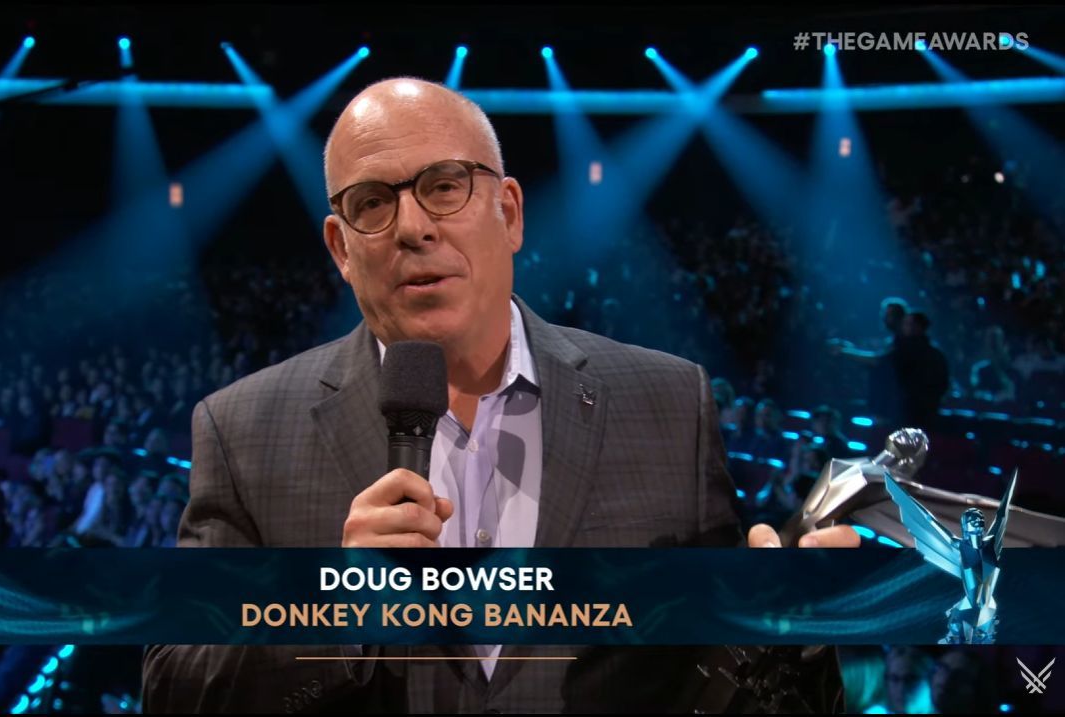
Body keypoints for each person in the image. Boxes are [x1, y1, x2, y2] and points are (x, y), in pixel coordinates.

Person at [142, 78, 857, 713]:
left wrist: (796, 633)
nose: (413, 227)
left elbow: (731, 676)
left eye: (444, 186)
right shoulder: (242, 429)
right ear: (340, 248)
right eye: (372, 203)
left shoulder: (669, 403)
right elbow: (174, 688)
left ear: (509, 213)